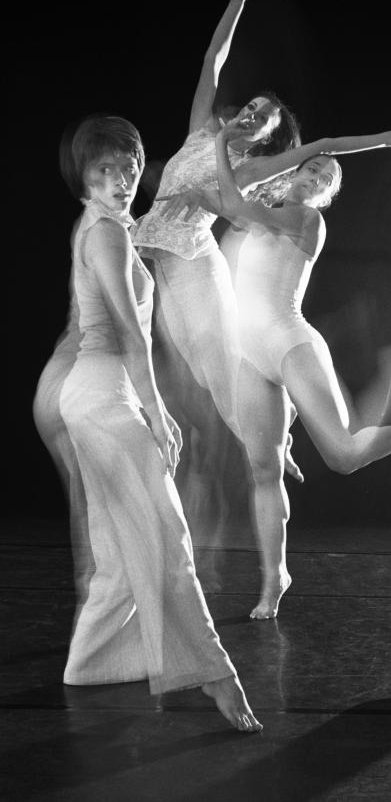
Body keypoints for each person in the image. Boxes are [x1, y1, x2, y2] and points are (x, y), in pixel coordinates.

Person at [131, 0, 391, 451]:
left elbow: (329, 142)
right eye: (251, 107)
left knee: (209, 377)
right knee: (142, 338)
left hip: (189, 261)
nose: (252, 114)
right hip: (149, 248)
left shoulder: (251, 171)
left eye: (264, 118)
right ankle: (273, 424)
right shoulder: (198, 134)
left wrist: (387, 141)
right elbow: (212, 60)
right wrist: (236, 2)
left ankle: (273, 433)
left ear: (269, 137)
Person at [34, 114, 262, 732]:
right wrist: (158, 412)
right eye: (105, 170)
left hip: (102, 396)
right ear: (82, 177)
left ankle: (93, 663)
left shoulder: (113, 228)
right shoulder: (105, 235)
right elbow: (131, 338)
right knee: (168, 537)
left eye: (130, 166)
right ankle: (216, 674)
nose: (122, 179)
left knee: (116, 550)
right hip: (102, 398)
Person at [199, 121, 391, 620]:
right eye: (311, 166)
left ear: (326, 196)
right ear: (294, 171)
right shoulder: (268, 212)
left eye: (326, 176)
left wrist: (217, 146)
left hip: (289, 339)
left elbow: (231, 204)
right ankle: (273, 578)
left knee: (343, 456)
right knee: (262, 470)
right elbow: (225, 204)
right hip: (249, 352)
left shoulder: (307, 222)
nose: (316, 175)